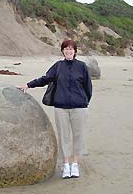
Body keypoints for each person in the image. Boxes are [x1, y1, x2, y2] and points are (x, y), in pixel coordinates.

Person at [17, 39, 92, 179]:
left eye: (71, 49)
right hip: (61, 108)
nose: (68, 51)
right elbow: (45, 79)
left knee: (78, 137)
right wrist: (28, 85)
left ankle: (75, 164)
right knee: (64, 138)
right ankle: (66, 165)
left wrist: (84, 101)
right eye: (66, 49)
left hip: (79, 108)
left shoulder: (82, 67)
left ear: (75, 51)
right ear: (63, 51)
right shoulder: (58, 66)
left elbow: (88, 88)